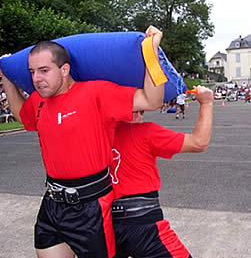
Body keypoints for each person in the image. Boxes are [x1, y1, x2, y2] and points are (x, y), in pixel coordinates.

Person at [0, 25, 164, 258]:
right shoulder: (38, 101)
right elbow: (22, 116)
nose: (36, 79)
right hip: (52, 206)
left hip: (91, 209)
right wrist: (6, 75)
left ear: (65, 69)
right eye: (32, 72)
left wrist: (151, 51)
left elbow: (152, 100)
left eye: (44, 70)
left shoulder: (96, 94)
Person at [110, 85, 214, 258]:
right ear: (134, 110)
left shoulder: (96, 133)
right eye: (140, 111)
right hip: (143, 223)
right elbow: (199, 142)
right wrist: (206, 103)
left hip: (104, 223)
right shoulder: (144, 132)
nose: (140, 116)